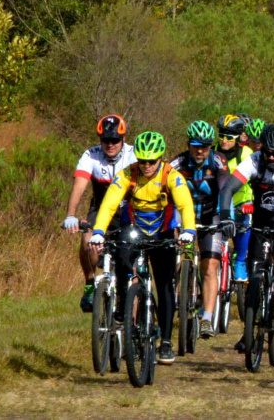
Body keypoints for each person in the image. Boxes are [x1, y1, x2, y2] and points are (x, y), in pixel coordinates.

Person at [90, 131, 196, 364]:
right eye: (142, 161)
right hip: (134, 229)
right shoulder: (128, 174)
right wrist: (98, 231)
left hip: (163, 233)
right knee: (120, 256)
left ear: (160, 159)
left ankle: (166, 342)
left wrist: (188, 230)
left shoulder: (172, 175)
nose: (146, 165)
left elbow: (185, 204)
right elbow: (109, 204)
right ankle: (122, 306)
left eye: (152, 161)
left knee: (164, 284)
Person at [218, 123, 274, 335]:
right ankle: (249, 332)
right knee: (254, 274)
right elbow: (229, 188)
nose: (271, 158)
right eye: (267, 152)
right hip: (261, 221)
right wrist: (225, 215)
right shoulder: (254, 160)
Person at [64, 114, 137, 312]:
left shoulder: (134, 155)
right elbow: (79, 186)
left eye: (115, 140)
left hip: (128, 212)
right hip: (100, 209)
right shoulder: (91, 155)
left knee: (132, 259)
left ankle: (133, 308)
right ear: (100, 140)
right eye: (105, 140)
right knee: (88, 242)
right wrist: (71, 214)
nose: (110, 144)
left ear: (123, 139)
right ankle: (89, 285)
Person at [169, 121, 228, 338]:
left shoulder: (219, 161)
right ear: (188, 144)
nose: (200, 150)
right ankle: (177, 289)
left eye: (205, 145)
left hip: (210, 216)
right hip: (183, 216)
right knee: (169, 252)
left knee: (210, 267)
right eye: (195, 145)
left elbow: (224, 187)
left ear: (211, 146)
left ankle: (207, 318)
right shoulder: (178, 162)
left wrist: (226, 216)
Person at [215, 114, 254, 282]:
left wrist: (252, 203)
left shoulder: (246, 153)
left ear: (238, 137)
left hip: (242, 201)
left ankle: (240, 262)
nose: (224, 140)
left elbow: (255, 179)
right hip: (219, 202)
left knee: (244, 227)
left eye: (229, 137)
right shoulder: (213, 152)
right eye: (222, 136)